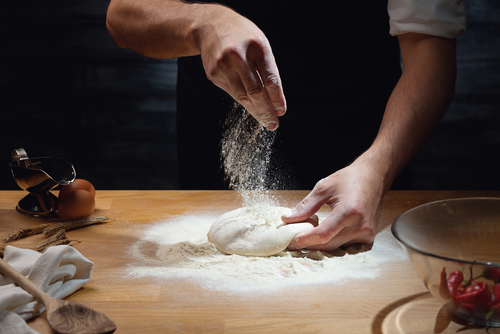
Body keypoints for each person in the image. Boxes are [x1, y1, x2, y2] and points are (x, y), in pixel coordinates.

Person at [106, 0, 466, 251]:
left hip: (364, 158)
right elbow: (123, 15)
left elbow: (430, 53)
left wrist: (377, 168)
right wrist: (202, 22)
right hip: (214, 156)